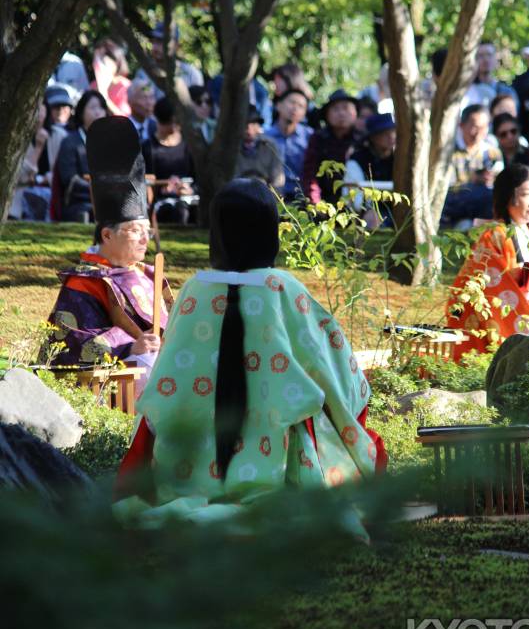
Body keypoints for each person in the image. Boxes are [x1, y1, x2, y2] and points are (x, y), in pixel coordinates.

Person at [113, 178, 386, 531]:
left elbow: (169, 378)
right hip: (279, 447)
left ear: (217, 234)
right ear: (268, 232)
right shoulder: (282, 289)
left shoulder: (194, 290)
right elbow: (332, 366)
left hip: (191, 451)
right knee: (299, 411)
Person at [47, 116, 172, 395]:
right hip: (115, 385)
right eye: (135, 230)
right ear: (107, 235)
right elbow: (71, 346)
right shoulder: (83, 283)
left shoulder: (149, 274)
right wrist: (130, 346)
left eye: (147, 231)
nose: (144, 238)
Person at [444, 164, 529, 359]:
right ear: (508, 196)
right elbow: (492, 290)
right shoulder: (494, 236)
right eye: (526, 195)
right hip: (513, 321)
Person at [441, 105, 503, 228]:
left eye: (483, 127)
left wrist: (491, 179)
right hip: (453, 204)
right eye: (474, 126)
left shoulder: (492, 152)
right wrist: (472, 179)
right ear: (461, 125)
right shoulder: (448, 151)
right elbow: (444, 187)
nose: (478, 132)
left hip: (483, 205)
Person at [142, 97, 198, 226]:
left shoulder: (190, 146)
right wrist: (162, 187)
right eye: (167, 123)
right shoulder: (148, 148)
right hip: (161, 202)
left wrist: (190, 189)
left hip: (189, 198)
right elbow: (143, 182)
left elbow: (199, 178)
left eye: (176, 122)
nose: (172, 127)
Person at [56, 90, 108, 222]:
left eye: (101, 108)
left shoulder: (111, 142)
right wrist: (99, 190)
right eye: (92, 107)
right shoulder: (70, 142)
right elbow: (70, 179)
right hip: (80, 201)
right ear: (81, 112)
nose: (98, 112)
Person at [302, 90, 359, 204]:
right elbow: (310, 174)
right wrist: (316, 202)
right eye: (335, 109)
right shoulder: (318, 139)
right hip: (324, 201)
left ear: (355, 112)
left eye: (346, 108)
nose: (341, 113)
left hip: (357, 201)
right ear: (326, 115)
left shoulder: (363, 139)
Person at [343, 113, 396, 228]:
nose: (391, 136)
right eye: (384, 133)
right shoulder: (357, 160)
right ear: (373, 137)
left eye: (393, 131)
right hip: (368, 213)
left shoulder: (400, 159)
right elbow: (354, 199)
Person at [264, 89, 311, 201]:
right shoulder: (265, 137)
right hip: (270, 197)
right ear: (278, 105)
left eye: (301, 106)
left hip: (302, 198)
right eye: (292, 102)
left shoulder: (310, 137)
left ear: (304, 113)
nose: (295, 108)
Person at [135, 22, 204, 99]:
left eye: (161, 41)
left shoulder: (191, 74)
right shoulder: (143, 74)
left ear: (176, 46)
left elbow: (199, 106)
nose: (155, 47)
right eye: (153, 41)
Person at [9, 102, 51, 221]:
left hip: (46, 203)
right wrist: (38, 147)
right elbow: (20, 177)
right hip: (17, 207)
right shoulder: (15, 138)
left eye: (42, 111)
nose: (39, 115)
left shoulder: (55, 136)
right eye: (36, 110)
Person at [234, 107, 285, 190]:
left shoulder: (269, 145)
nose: (249, 128)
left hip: (264, 192)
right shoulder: (231, 147)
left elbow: (278, 179)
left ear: (258, 126)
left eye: (253, 123)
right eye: (245, 123)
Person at [462, 42, 517, 112]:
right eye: (481, 56)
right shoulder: (466, 91)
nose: (486, 59)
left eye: (489, 55)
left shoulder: (507, 92)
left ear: (495, 58)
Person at [92, 38, 131, 117]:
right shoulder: (93, 85)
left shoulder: (125, 87)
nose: (97, 64)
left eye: (102, 59)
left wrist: (104, 96)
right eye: (95, 59)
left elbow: (125, 118)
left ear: (115, 62)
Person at [127, 78, 157, 142]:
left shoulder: (157, 128)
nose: (149, 103)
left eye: (151, 97)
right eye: (144, 98)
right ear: (130, 101)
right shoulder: (123, 130)